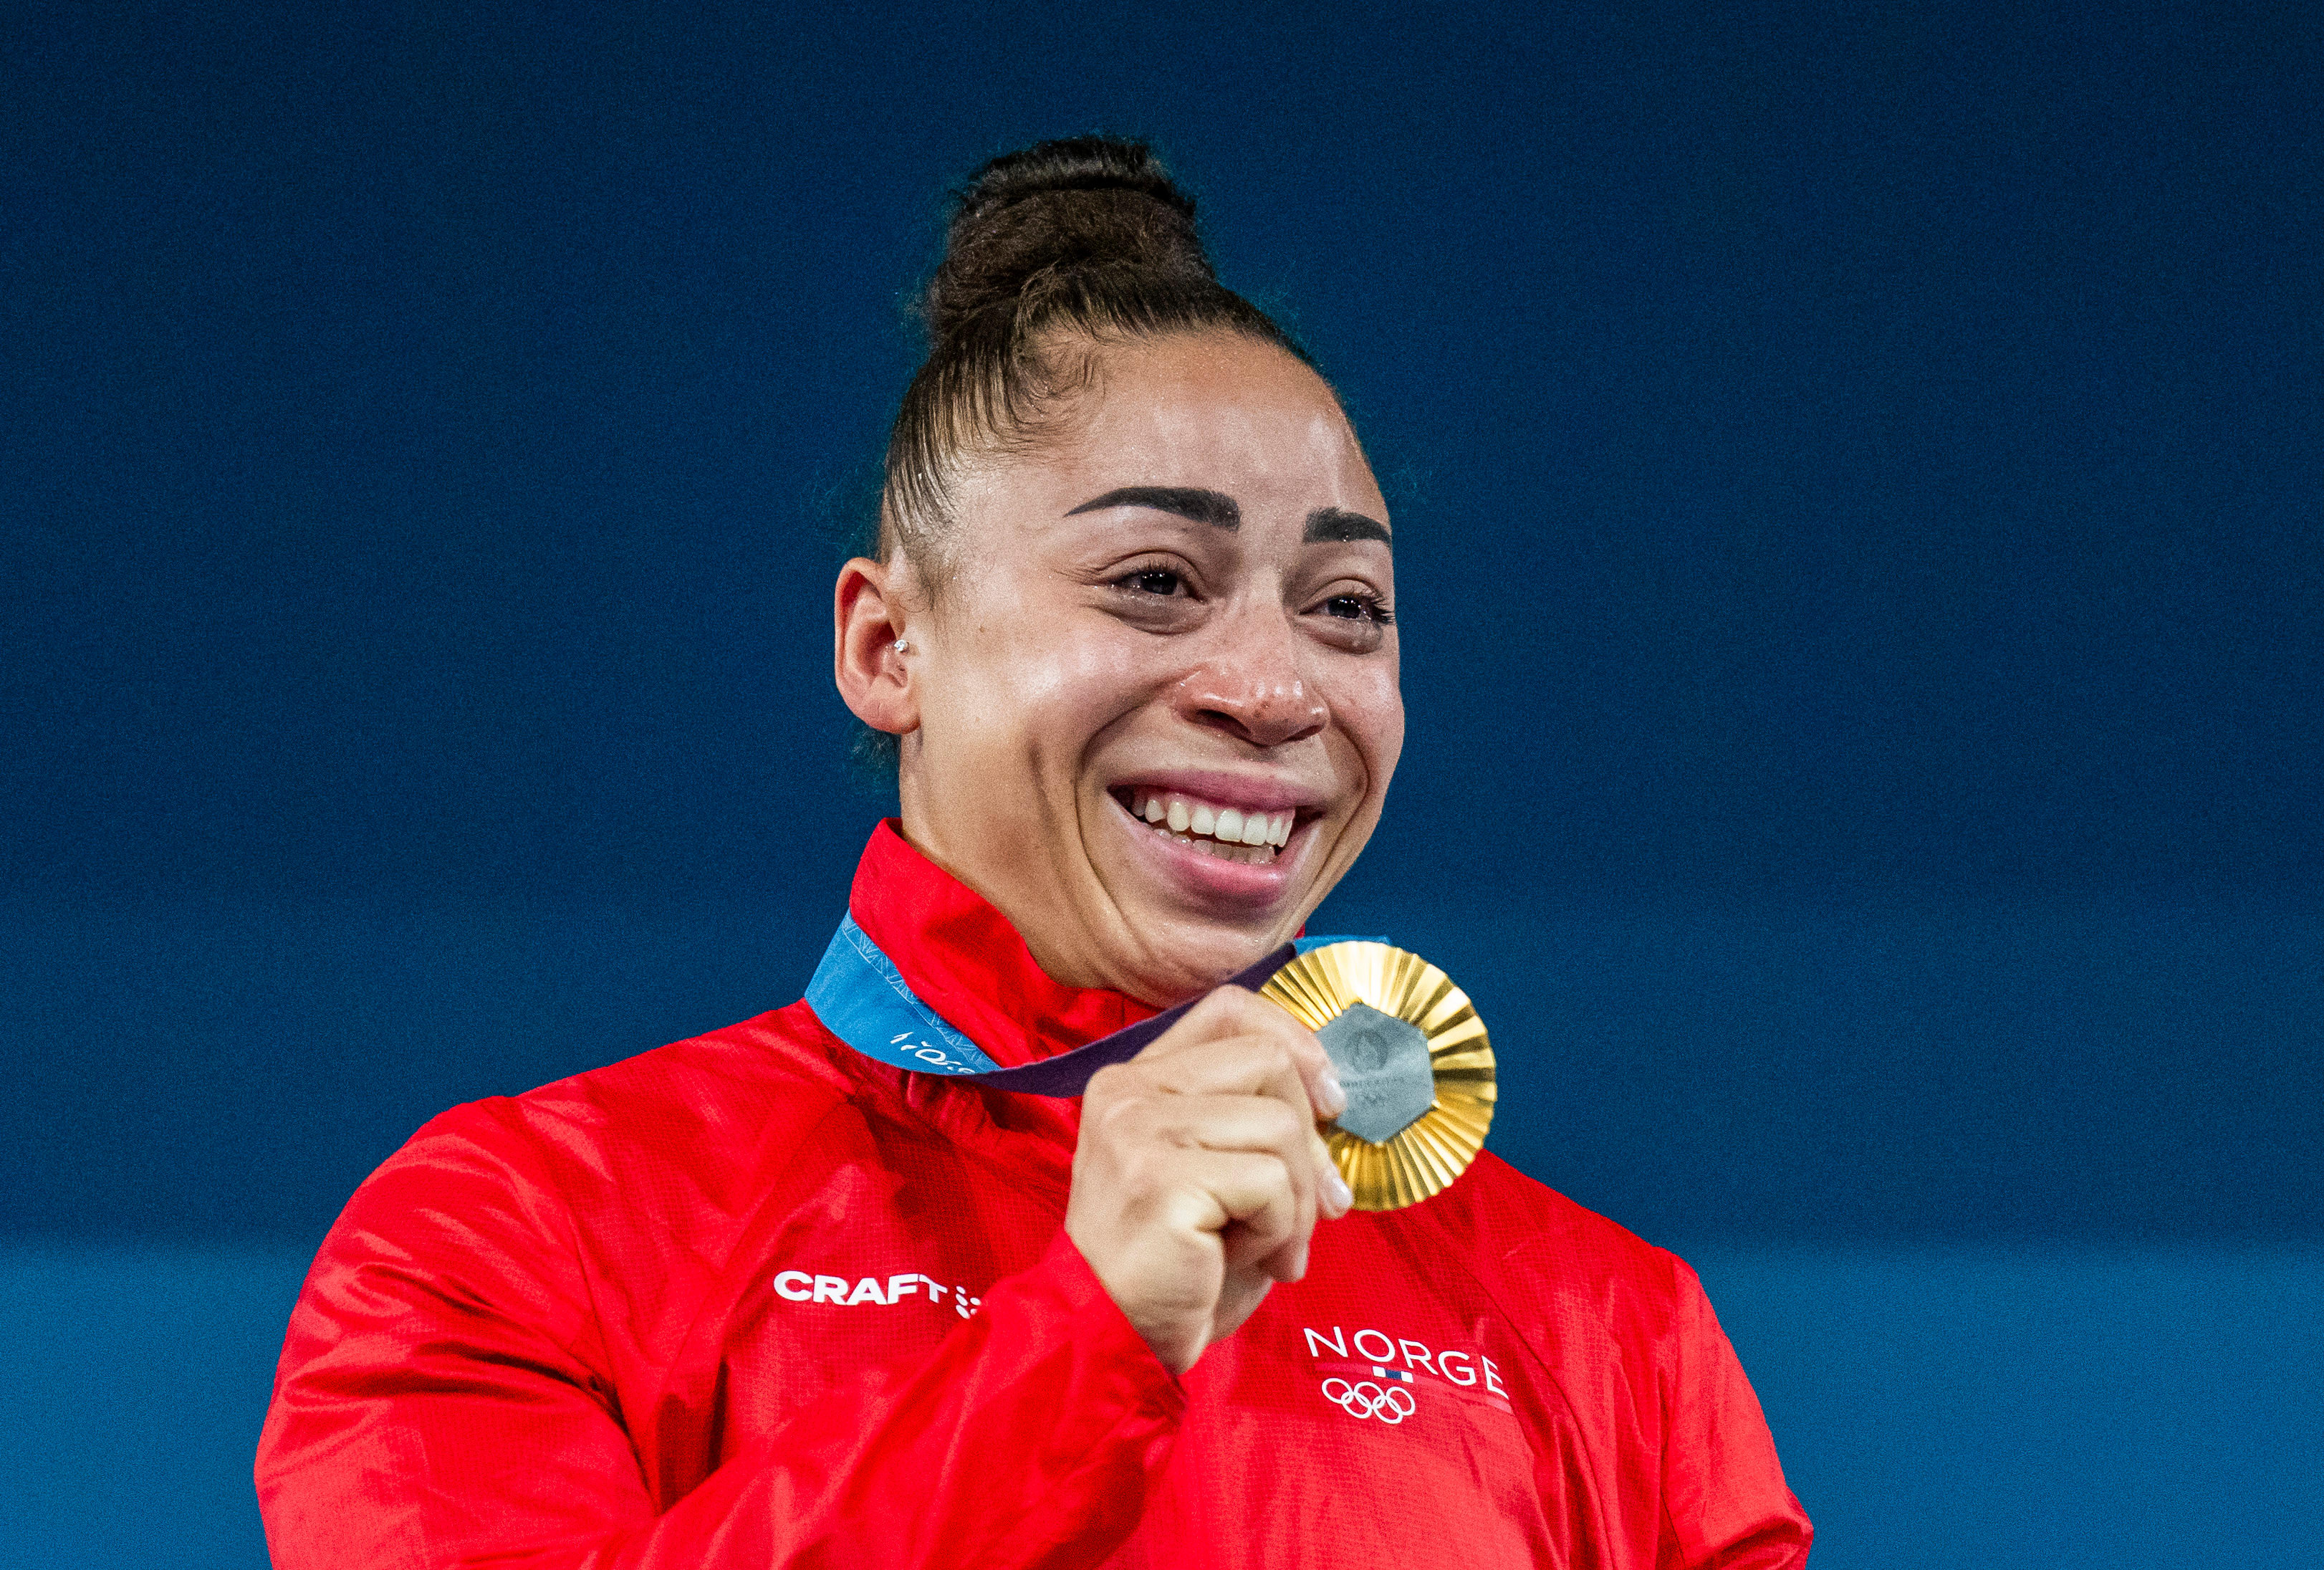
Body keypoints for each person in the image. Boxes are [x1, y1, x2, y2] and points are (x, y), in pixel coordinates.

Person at [256, 135, 1811, 1569]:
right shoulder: (519, 1234)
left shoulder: (1609, 1327)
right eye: (1155, 580)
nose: (1275, 690)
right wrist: (1085, 1340)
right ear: (888, 647)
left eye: (1346, 608)